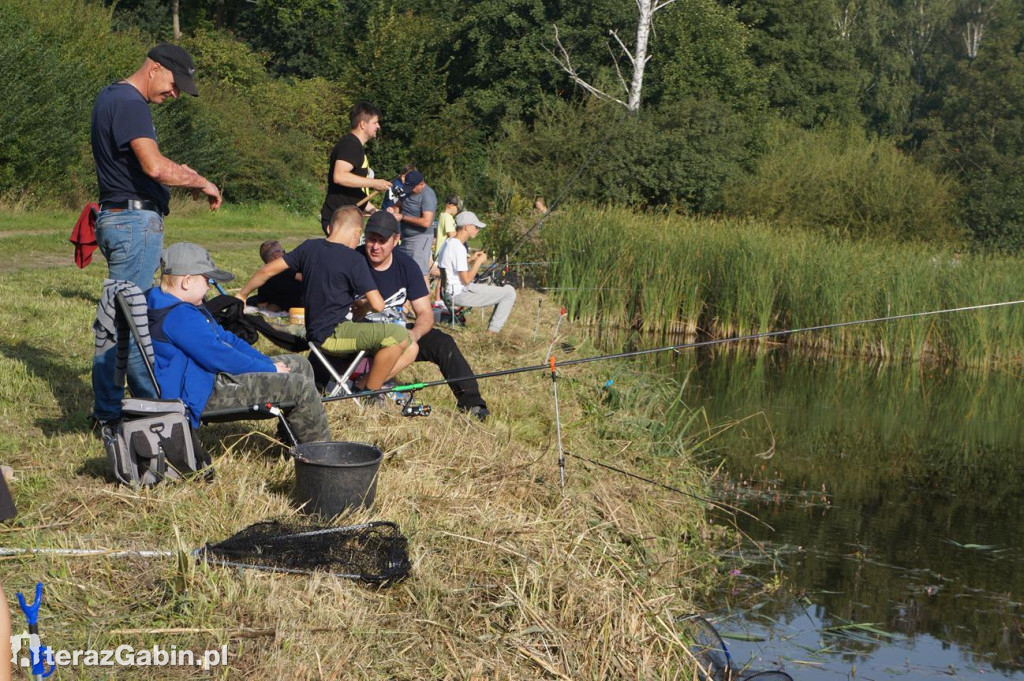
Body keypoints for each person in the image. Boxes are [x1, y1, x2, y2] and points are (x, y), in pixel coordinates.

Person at [90, 43, 223, 426]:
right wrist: (201, 181)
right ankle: (154, 412)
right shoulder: (131, 104)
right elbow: (154, 167)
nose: (174, 93)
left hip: (118, 220)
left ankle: (121, 409)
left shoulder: (109, 96)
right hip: (135, 225)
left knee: (119, 315)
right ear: (154, 67)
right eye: (173, 83)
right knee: (130, 322)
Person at [146, 243, 330, 444]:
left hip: (208, 379)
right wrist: (266, 368)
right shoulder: (179, 316)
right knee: (299, 386)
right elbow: (219, 355)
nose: (209, 285)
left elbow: (227, 339)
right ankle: (321, 456)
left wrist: (264, 362)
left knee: (299, 364)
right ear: (187, 281)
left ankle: (293, 440)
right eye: (207, 279)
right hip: (202, 394)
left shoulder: (188, 308)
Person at [237, 207, 416, 394]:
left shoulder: (309, 247)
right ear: (357, 233)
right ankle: (370, 392)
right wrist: (364, 306)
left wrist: (242, 294)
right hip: (334, 334)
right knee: (400, 336)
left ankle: (362, 384)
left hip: (313, 332)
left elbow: (267, 270)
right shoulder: (354, 259)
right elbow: (379, 305)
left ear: (330, 228)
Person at [356, 211, 490, 420]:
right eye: (371, 239)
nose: (375, 247)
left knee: (442, 342)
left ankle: (472, 403)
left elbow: (425, 314)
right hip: (360, 333)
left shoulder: (406, 266)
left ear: (396, 240)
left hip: (395, 331)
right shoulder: (353, 260)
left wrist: (414, 335)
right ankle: (363, 385)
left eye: (382, 241)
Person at [437, 211, 517, 334]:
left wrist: (471, 259)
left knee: (501, 290)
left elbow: (452, 267)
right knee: (509, 293)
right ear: (467, 226)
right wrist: (478, 262)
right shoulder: (458, 247)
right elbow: (467, 280)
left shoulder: (449, 242)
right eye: (476, 227)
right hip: (458, 294)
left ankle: (492, 331)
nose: (478, 230)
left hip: (448, 291)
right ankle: (491, 334)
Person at [320, 101, 392, 233]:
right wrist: (374, 183)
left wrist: (375, 211)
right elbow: (339, 176)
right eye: (375, 122)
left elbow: (352, 195)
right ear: (363, 124)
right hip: (338, 220)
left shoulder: (356, 146)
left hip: (348, 219)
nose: (379, 126)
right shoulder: (350, 144)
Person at [395, 169, 437, 280]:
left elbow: (426, 222)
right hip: (405, 237)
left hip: (420, 238)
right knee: (404, 269)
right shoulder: (408, 190)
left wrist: (402, 217)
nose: (410, 190)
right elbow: (398, 205)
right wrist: (393, 210)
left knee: (419, 273)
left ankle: (424, 296)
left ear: (421, 184)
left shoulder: (428, 195)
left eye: (412, 187)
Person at [253, 239, 303, 311]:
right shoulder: (290, 270)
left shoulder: (264, 280)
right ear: (277, 255)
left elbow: (262, 307)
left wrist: (278, 306)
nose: (286, 254)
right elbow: (311, 278)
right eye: (283, 251)